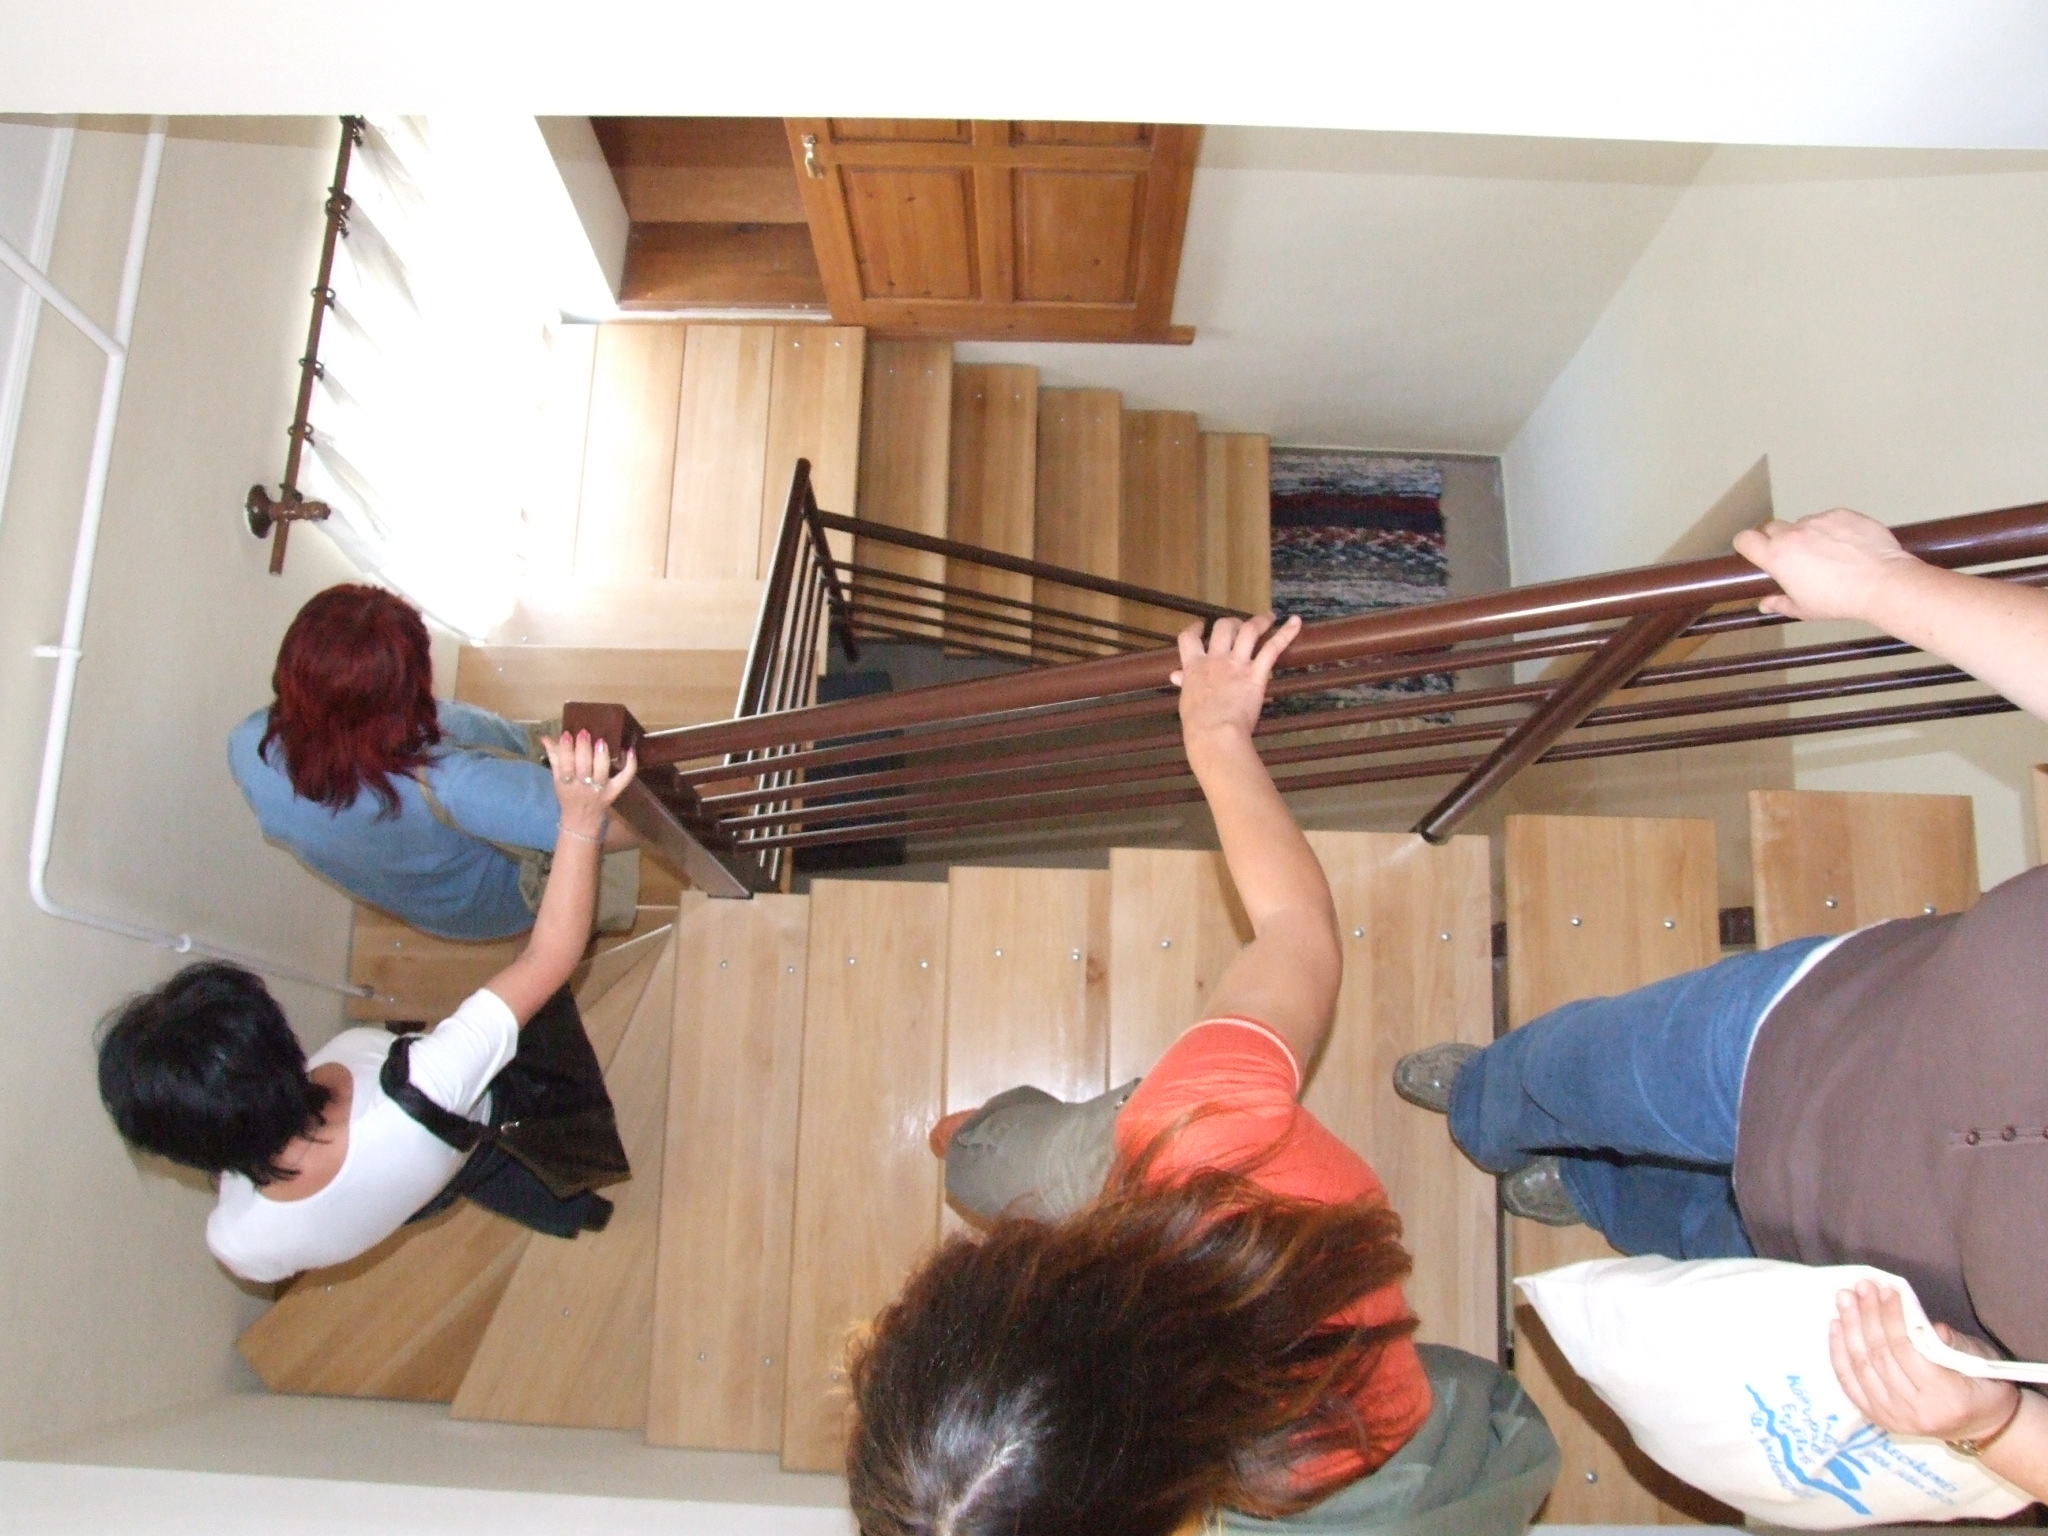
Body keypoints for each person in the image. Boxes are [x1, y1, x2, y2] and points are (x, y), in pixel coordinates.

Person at [847, 615, 1559, 1536]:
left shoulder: (1314, 1398)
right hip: (1194, 1190)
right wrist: (1217, 738)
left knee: (1003, 1159)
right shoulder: (1216, 1137)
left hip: (1386, 1446)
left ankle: (969, 1143)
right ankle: (969, 1139)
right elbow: (1296, 931)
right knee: (1019, 1156)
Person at [1395, 507, 2048, 1500]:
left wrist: (1992, 1424)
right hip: (1822, 1024)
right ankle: (1490, 1103)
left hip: (1884, 1277)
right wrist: (1884, 586)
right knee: (1585, 1063)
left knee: (1710, 1240)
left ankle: (1591, 1192)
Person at [98, 730, 638, 1283]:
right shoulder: (431, 1079)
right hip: (480, 1109)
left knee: (490, 1179)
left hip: (428, 1186)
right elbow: (548, 958)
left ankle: (575, 1211)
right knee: (532, 1045)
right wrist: (580, 819)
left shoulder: (238, 1244)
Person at [228, 583, 640, 942]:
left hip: (430, 902)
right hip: (502, 896)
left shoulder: (248, 745)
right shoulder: (457, 785)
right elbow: (600, 827)